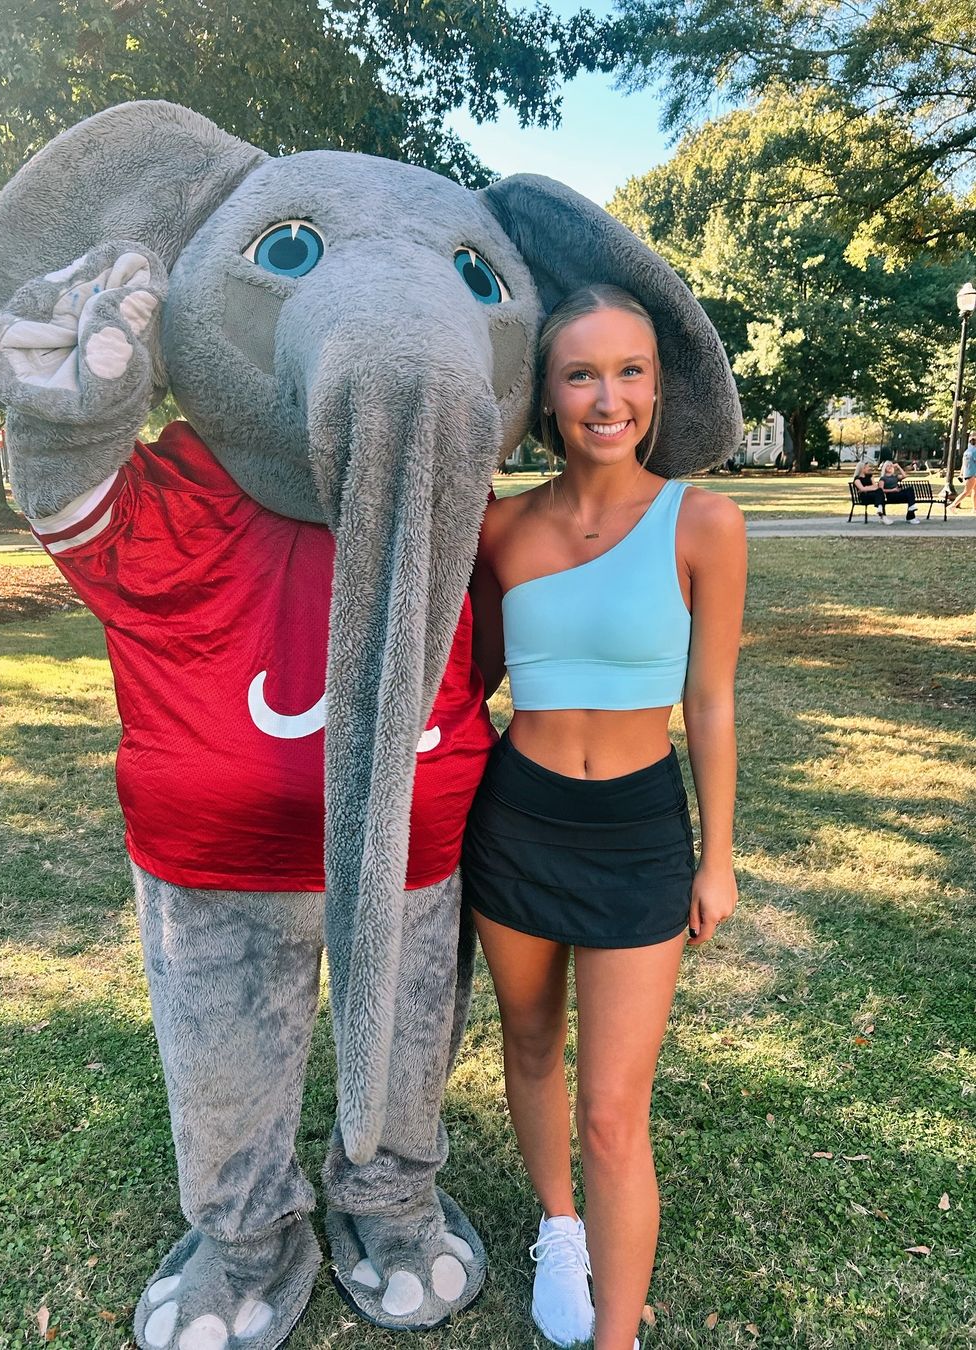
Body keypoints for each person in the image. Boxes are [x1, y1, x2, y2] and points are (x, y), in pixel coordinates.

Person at [464, 285, 746, 1350]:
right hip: (517, 820)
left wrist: (717, 858)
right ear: (547, 395)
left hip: (637, 832)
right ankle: (560, 1229)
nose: (607, 397)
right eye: (581, 373)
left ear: (658, 390)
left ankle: (617, 1339)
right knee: (531, 1043)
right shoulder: (500, 528)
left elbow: (710, 702)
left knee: (615, 1115)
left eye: (631, 371)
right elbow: (474, 678)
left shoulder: (704, 523)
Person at [949, 434, 976, 510]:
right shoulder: (974, 452)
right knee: (966, 492)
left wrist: (961, 474)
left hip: (967, 474)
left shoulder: (967, 452)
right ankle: (952, 505)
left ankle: (974, 509)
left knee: (974, 491)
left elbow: (963, 464)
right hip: (973, 474)